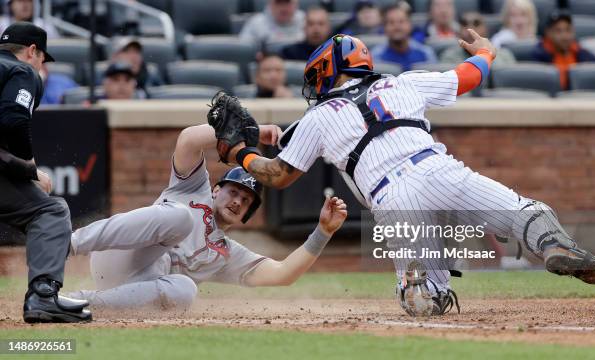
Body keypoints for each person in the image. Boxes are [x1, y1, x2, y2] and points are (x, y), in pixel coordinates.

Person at [223, 33, 595, 317]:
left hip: (392, 199)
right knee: (526, 211)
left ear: (330, 69)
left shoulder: (319, 116)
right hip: (438, 169)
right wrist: (487, 52)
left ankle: (422, 288)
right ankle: (553, 246)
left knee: (426, 302)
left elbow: (276, 175)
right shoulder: (402, 82)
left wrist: (240, 152)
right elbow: (469, 76)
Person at [68, 123, 347, 310]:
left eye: (246, 200)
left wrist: (323, 232)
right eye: (233, 192)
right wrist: (252, 132)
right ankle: (68, 243)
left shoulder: (226, 254)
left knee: (186, 290)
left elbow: (283, 274)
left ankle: (81, 304)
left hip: (130, 291)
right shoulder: (192, 187)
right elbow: (188, 140)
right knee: (180, 218)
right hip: (116, 255)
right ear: (215, 190)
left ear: (248, 213)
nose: (238, 201)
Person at [0, 22, 91, 323]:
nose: (41, 65)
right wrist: (30, 170)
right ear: (32, 51)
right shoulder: (23, 71)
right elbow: (13, 122)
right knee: (50, 211)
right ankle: (42, 297)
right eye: (42, 58)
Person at [531, 11, 595, 90]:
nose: (564, 36)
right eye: (558, 31)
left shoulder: (583, 55)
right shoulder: (538, 56)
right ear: (548, 32)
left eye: (568, 30)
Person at [371, 3, 437, 72]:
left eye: (401, 22)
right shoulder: (376, 56)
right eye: (391, 22)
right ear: (384, 28)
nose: (397, 26)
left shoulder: (426, 54)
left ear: (410, 25)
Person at [441, 12, 516, 67]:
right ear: (458, 31)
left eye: (476, 24)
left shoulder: (505, 55)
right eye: (464, 24)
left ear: (486, 29)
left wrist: (486, 54)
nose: (470, 28)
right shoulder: (449, 57)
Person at [239, 0, 305, 50]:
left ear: (296, 4)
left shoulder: (306, 20)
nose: (283, 8)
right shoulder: (255, 23)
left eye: (287, 2)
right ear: (269, 4)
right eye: (278, 3)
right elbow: (244, 50)